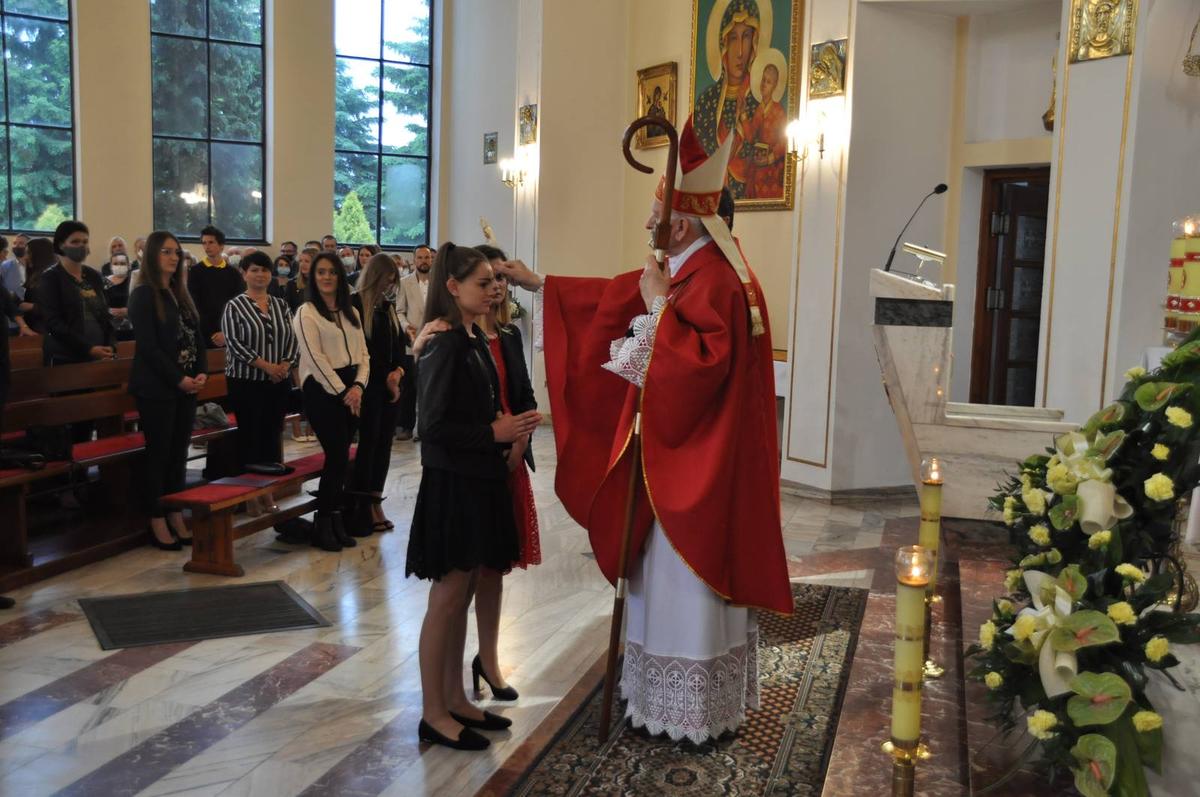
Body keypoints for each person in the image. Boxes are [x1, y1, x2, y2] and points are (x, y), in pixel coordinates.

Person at [497, 115, 791, 743]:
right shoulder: (697, 267)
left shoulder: (713, 279)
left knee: (683, 582)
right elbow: (615, 299)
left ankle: (690, 709)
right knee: (662, 580)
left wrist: (658, 304)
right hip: (681, 458)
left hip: (695, 470)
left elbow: (696, 369)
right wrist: (545, 285)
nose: (647, 224)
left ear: (680, 224)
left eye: (655, 215)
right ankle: (668, 700)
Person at [406, 243, 541, 752]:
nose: (493, 290)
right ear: (453, 286)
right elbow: (432, 427)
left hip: (477, 479)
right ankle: (433, 712)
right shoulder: (444, 343)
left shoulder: (474, 337)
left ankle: (456, 698)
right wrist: (494, 432)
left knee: (461, 596)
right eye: (482, 283)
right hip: (453, 485)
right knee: (445, 601)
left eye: (494, 281)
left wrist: (509, 428)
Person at [128, 230, 208, 550]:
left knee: (179, 454)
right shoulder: (143, 294)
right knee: (159, 454)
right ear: (151, 256)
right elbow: (148, 348)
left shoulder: (180, 292)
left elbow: (196, 337)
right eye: (166, 252)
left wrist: (201, 371)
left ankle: (175, 510)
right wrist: (178, 379)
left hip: (185, 387)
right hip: (156, 387)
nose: (174, 257)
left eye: (177, 252)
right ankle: (156, 516)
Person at [293, 251, 369, 552]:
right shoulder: (306, 313)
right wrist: (343, 392)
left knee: (343, 458)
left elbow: (364, 354)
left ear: (340, 276)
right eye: (321, 272)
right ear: (313, 277)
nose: (327, 277)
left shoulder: (352, 312)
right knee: (336, 456)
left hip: (352, 389)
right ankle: (323, 523)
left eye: (332, 272)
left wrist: (359, 386)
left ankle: (336, 519)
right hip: (322, 391)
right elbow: (315, 358)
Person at [221, 251, 298, 515]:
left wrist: (285, 365)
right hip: (247, 382)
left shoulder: (281, 305)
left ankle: (269, 491)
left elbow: (293, 338)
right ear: (244, 274)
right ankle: (251, 496)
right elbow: (235, 344)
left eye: (264, 270)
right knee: (250, 437)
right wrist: (267, 367)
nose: (260, 274)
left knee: (272, 436)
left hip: (278, 382)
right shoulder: (234, 306)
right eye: (254, 270)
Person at [347, 253, 406, 536]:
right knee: (369, 445)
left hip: (389, 385)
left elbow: (399, 347)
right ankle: (361, 507)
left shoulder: (388, 307)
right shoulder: (355, 304)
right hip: (368, 385)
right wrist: (387, 377)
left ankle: (376, 500)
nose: (388, 286)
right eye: (385, 280)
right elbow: (364, 351)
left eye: (392, 281)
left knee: (384, 445)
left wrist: (399, 372)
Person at [693, 0, 762, 198]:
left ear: (754, 43)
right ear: (723, 45)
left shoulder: (757, 101)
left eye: (746, 37)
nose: (740, 51)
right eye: (733, 38)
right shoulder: (707, 102)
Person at [40, 220, 114, 368]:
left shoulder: (94, 275)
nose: (82, 246)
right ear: (61, 245)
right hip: (67, 354)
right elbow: (53, 322)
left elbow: (105, 314)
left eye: (85, 242)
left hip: (100, 351)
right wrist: (88, 348)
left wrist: (111, 344)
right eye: (75, 242)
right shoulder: (51, 277)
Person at [395, 243, 433, 440]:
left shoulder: (440, 282)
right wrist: (405, 326)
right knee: (409, 386)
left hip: (435, 340)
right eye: (420, 257)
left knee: (430, 386)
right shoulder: (404, 283)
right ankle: (407, 426)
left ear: (431, 260)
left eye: (427, 257)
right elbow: (399, 311)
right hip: (412, 340)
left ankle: (426, 428)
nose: (423, 261)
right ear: (414, 260)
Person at [189, 225, 245, 348]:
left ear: (221, 246)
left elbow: (238, 304)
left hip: (229, 332)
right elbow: (194, 304)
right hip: (204, 332)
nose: (207, 246)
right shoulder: (195, 271)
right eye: (204, 243)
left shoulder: (233, 273)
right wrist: (210, 332)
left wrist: (226, 332)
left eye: (211, 242)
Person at [745, 61, 787, 200]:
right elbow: (751, 137)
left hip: (772, 169)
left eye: (768, 82)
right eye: (763, 79)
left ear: (774, 86)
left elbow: (784, 142)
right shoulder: (758, 110)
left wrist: (769, 159)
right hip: (758, 164)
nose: (764, 84)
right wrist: (743, 116)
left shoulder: (778, 111)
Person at [15, 238, 55, 335]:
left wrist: (31, 306)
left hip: (45, 332)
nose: (25, 257)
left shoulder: (52, 277)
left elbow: (58, 309)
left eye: (28, 253)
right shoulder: (35, 276)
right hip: (33, 328)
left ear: (40, 255)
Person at [0, 234, 29, 333]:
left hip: (31, 317)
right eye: (14, 243)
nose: (16, 246)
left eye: (21, 243)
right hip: (11, 320)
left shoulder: (36, 266)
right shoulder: (4, 266)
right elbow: (5, 296)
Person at [104, 252, 135, 341]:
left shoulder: (133, 280)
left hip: (131, 326)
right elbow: (100, 303)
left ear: (128, 265)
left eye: (122, 263)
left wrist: (128, 311)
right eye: (115, 263)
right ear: (111, 266)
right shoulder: (105, 282)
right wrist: (109, 311)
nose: (119, 266)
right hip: (110, 327)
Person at [285, 247, 315, 313]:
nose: (302, 264)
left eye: (307, 261)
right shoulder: (291, 284)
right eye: (300, 261)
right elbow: (287, 309)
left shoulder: (322, 284)